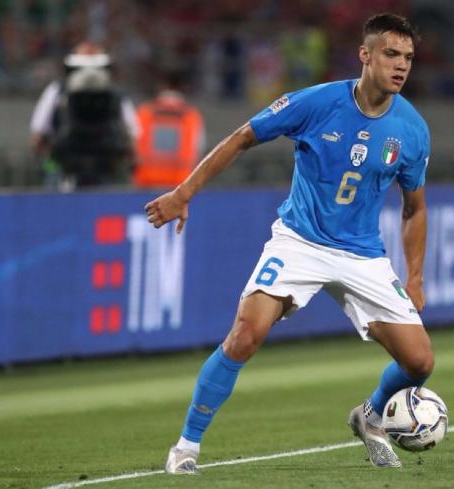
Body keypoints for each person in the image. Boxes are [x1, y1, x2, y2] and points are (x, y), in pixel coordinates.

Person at [145, 13, 433, 473]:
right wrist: (184, 193)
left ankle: (371, 415)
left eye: (409, 58)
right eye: (391, 54)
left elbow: (414, 208)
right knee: (245, 334)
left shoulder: (413, 129)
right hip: (300, 241)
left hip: (362, 253)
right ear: (365, 55)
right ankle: (186, 447)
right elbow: (242, 137)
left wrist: (414, 277)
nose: (401, 66)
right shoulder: (317, 103)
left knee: (419, 363)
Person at [30, 41, 140, 188]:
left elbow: (39, 131)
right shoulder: (58, 90)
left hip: (104, 165)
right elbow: (132, 133)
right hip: (67, 166)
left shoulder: (115, 94)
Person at [133, 72, 206, 188]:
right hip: (180, 184)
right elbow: (199, 148)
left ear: (161, 86)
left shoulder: (144, 113)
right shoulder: (191, 116)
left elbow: (133, 143)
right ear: (183, 88)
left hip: (147, 181)